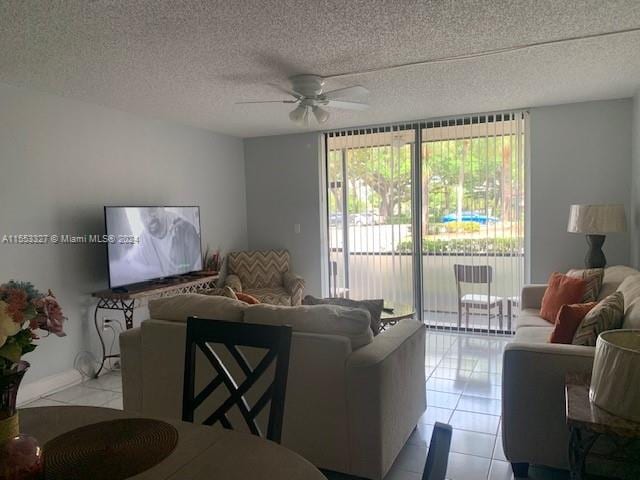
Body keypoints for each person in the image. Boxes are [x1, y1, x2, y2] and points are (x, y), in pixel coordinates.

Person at [111, 207, 201, 286]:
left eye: (152, 210)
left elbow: (194, 269)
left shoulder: (184, 228)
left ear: (162, 209)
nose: (149, 218)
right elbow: (129, 266)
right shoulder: (143, 240)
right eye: (143, 215)